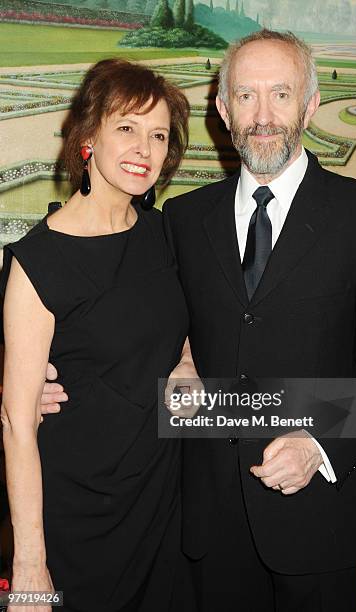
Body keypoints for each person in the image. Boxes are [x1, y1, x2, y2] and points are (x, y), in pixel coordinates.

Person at [40, 31, 356, 612]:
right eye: (245, 96)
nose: (263, 117)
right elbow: (115, 322)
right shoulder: (180, 221)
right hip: (203, 531)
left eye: (281, 95)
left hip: (317, 529)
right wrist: (43, 380)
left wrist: (318, 442)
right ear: (222, 109)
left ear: (310, 105)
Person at [0, 58, 197, 612]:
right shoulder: (39, 262)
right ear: (89, 137)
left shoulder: (164, 234)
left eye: (158, 134)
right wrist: (30, 564)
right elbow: (17, 423)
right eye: (126, 128)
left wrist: (186, 361)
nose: (144, 148)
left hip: (162, 506)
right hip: (78, 517)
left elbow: (181, 325)